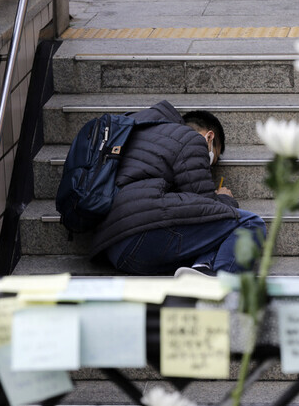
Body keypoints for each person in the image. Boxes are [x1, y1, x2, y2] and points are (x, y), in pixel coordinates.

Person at [88, 100, 266, 276]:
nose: (208, 166)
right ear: (209, 137)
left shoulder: (143, 132)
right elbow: (208, 209)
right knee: (250, 223)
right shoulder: (191, 139)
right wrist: (226, 199)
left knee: (215, 237)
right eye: (213, 157)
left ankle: (202, 268)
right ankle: (221, 288)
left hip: (118, 252)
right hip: (141, 236)